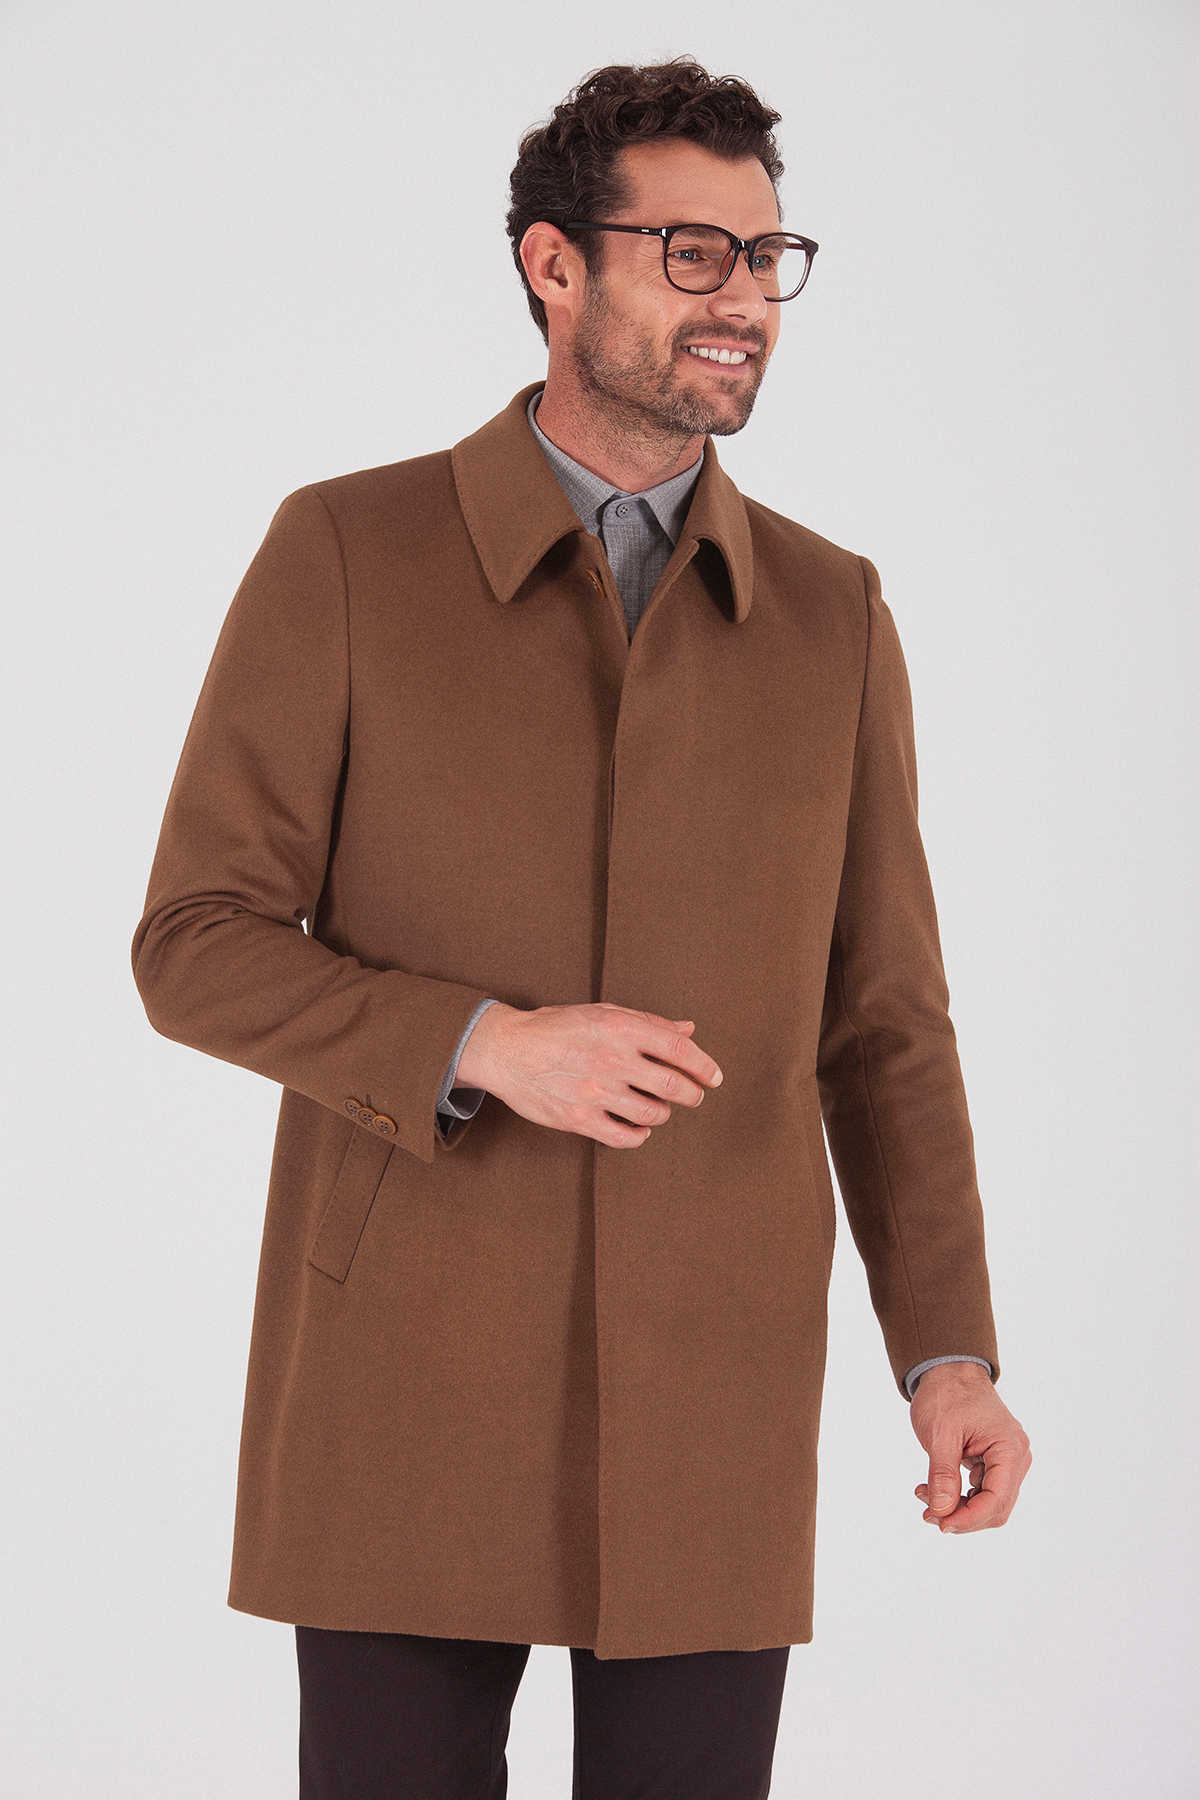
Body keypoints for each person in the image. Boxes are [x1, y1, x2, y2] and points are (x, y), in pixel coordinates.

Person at [132, 54, 1032, 1800]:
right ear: (555, 266)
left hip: (714, 1387)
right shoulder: (347, 551)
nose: (743, 298)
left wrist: (948, 1358)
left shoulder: (832, 614)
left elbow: (883, 1028)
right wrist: (482, 1043)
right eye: (693, 253)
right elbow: (194, 937)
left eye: (766, 257)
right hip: (405, 1365)